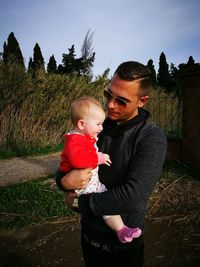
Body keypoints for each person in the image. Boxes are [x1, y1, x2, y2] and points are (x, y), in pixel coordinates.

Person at [56, 61, 167, 266]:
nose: (110, 105)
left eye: (121, 101)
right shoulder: (97, 127)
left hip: (122, 246)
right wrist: (63, 182)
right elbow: (67, 163)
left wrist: (81, 203)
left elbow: (133, 197)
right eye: (108, 95)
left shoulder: (151, 138)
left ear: (142, 101)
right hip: (89, 236)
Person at [56, 96, 142, 243]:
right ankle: (121, 230)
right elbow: (78, 160)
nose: (101, 128)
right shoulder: (75, 139)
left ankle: (121, 230)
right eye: (98, 124)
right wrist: (98, 159)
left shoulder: (85, 136)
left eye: (101, 124)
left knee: (107, 205)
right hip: (84, 186)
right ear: (82, 124)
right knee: (107, 207)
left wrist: (97, 154)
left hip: (91, 183)